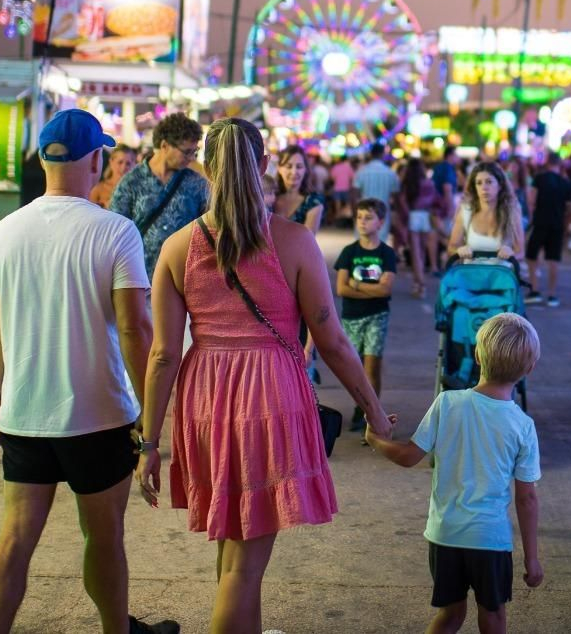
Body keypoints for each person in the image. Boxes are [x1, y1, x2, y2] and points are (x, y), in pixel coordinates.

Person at [135, 118, 391, 634]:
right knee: (244, 568)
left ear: (206, 169)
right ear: (265, 167)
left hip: (204, 397)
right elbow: (334, 341)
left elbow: (163, 354)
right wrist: (374, 411)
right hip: (270, 394)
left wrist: (147, 442)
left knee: (233, 552)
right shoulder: (294, 242)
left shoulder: (177, 247)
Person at [0, 110, 175, 634]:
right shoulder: (115, 232)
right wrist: (150, 416)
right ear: (96, 160)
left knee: (15, 536)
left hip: (24, 413)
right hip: (100, 413)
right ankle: (117, 631)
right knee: (104, 536)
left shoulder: (2, 233)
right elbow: (135, 331)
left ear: (43, 159)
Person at [366, 313, 543, 634]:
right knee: (493, 615)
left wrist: (375, 439)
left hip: (445, 534)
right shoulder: (523, 426)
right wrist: (532, 559)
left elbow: (408, 457)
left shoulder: (446, 403)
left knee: (450, 614)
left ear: (477, 355)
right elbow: (527, 499)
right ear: (529, 369)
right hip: (490, 540)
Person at [110, 112, 209, 276]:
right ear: (164, 146)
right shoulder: (131, 183)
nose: (191, 158)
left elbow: (208, 231)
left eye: (194, 152)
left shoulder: (197, 185)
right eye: (186, 152)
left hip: (182, 281)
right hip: (139, 280)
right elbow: (114, 232)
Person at [335, 199, 398, 433]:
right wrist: (372, 289)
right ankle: (358, 405)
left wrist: (356, 285)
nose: (362, 222)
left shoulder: (386, 253)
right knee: (354, 367)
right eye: (359, 217)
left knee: (372, 367)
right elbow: (341, 289)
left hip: (377, 316)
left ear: (380, 222)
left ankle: (371, 413)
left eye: (368, 217)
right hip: (351, 317)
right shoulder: (349, 252)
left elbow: (386, 289)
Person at [521, 152, 571, 307]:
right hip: (557, 224)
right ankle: (552, 295)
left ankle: (535, 290)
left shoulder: (539, 179)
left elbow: (531, 199)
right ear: (559, 164)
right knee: (554, 260)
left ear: (547, 162)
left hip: (540, 221)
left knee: (531, 256)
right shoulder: (566, 183)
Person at [448, 161, 525, 262]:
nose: (484, 188)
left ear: (500, 185)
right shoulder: (466, 211)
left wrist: (511, 253)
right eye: (479, 183)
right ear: (475, 188)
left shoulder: (511, 211)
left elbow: (520, 252)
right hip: (472, 274)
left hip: (500, 274)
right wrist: (460, 250)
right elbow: (451, 247)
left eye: (489, 182)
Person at [394, 157, 439, 298]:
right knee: (422, 251)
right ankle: (419, 283)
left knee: (415, 252)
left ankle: (419, 283)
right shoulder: (428, 183)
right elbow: (434, 200)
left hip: (412, 216)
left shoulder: (407, 184)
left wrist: (406, 216)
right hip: (425, 216)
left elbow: (401, 201)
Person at [275, 145, 325, 233]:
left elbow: (308, 239)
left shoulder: (313, 201)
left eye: (299, 167)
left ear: (305, 169)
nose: (294, 172)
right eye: (289, 166)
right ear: (279, 168)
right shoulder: (269, 197)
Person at [353, 141, 400, 210]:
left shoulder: (361, 172)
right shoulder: (391, 173)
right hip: (384, 215)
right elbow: (396, 197)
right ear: (383, 154)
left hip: (365, 215)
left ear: (371, 154)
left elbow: (355, 195)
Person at [329, 154, 355, 224]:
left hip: (337, 188)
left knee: (338, 204)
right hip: (346, 188)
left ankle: (338, 218)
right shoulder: (348, 167)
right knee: (347, 204)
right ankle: (345, 219)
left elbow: (332, 178)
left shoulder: (335, 167)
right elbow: (352, 177)